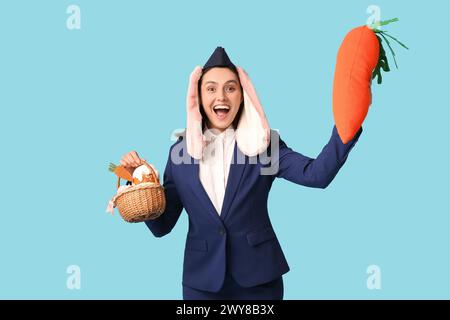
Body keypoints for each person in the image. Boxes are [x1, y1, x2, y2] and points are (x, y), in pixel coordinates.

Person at [119, 47, 362, 300]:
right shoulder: (179, 154)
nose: (221, 96)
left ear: (243, 95)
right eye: (211, 88)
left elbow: (316, 175)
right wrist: (137, 181)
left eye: (231, 88)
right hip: (201, 284)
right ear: (199, 97)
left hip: (259, 282)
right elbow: (162, 226)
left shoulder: (264, 144)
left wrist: (347, 126)